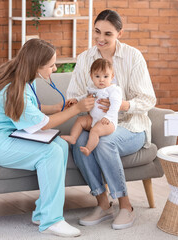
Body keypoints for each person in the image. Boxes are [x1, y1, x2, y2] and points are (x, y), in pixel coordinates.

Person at [0, 38, 95, 237]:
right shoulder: (13, 87)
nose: (54, 69)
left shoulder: (22, 76)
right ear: (37, 66)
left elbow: (29, 109)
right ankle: (51, 222)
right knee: (50, 153)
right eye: (51, 65)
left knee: (60, 145)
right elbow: (42, 124)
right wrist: (78, 109)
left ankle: (42, 213)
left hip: (6, 133)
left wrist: (58, 108)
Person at [66, 9, 156, 230]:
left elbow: (148, 99)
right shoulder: (85, 58)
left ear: (119, 34)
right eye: (97, 32)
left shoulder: (133, 57)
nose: (100, 39)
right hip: (97, 122)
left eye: (108, 34)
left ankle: (126, 206)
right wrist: (82, 102)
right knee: (80, 143)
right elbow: (73, 95)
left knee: (106, 141)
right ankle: (103, 204)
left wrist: (123, 105)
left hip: (132, 126)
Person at [61, 58, 122, 156]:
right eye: (97, 76)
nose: (101, 80)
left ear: (112, 77)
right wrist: (76, 99)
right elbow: (85, 96)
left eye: (106, 76)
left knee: (94, 131)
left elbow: (116, 105)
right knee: (80, 120)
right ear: (91, 76)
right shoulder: (93, 89)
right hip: (93, 119)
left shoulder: (113, 90)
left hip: (108, 122)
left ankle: (88, 149)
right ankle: (73, 137)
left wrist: (108, 117)